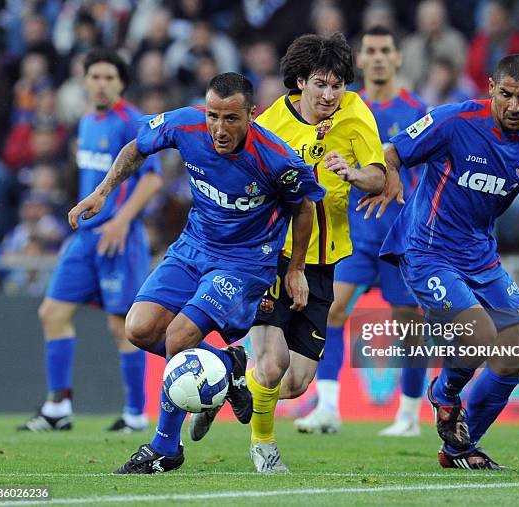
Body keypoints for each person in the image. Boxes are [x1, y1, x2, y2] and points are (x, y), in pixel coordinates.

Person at [68, 72, 326, 474]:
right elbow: (137, 146)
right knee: (139, 329)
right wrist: (103, 192)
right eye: (213, 116)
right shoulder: (185, 123)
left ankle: (165, 448)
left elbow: (305, 206)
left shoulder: (276, 158)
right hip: (194, 247)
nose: (219, 129)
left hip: (244, 261)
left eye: (230, 119)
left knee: (179, 336)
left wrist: (295, 269)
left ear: (251, 115)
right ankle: (230, 368)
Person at [189, 33, 386, 473]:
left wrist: (352, 173)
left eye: (337, 85)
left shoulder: (356, 113)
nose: (330, 95)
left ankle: (225, 376)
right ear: (300, 81)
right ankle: (263, 446)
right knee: (273, 364)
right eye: (321, 84)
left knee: (295, 383)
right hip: (271, 255)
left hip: (324, 259)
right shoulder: (271, 125)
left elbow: (378, 178)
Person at [359, 54, 519, 469]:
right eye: (505, 94)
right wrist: (389, 172)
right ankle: (445, 393)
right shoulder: (455, 121)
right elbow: (395, 149)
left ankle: (459, 449)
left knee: (512, 360)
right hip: (428, 250)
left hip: (480, 257)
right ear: (490, 88)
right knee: (479, 337)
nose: (514, 106)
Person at [293, 26, 429, 437]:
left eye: (386, 49)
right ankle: (329, 407)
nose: (379, 57)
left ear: (398, 57)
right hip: (354, 233)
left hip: (400, 236)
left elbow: (430, 169)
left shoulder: (415, 108)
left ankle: (407, 416)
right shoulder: (344, 108)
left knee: (410, 323)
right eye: (371, 50)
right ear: (362, 60)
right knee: (333, 309)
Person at [18, 48, 162, 433]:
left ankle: (134, 414)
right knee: (52, 313)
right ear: (85, 81)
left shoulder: (132, 121)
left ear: (121, 83)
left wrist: (122, 222)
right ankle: (58, 407)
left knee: (122, 327)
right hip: (85, 238)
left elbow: (152, 178)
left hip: (119, 237)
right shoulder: (85, 122)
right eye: (94, 76)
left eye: (108, 78)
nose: (100, 84)